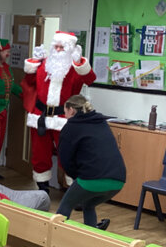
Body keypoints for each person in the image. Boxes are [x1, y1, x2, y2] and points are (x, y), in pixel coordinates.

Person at [23, 31, 96, 192]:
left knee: (68, 153)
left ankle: (73, 190)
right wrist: (33, 63)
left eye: (61, 47)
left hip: (64, 117)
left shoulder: (75, 68)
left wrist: (80, 63)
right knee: (39, 153)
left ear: (69, 49)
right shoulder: (44, 65)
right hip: (40, 116)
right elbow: (28, 82)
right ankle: (42, 188)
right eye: (55, 46)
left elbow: (90, 79)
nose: (57, 49)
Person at [55, 95, 125, 230]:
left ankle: (56, 235)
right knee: (88, 204)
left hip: (92, 178)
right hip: (118, 180)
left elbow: (65, 160)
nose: (65, 116)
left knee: (66, 205)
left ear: (71, 110)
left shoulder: (71, 127)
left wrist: (77, 177)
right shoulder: (102, 122)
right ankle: (92, 234)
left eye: (65, 112)